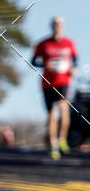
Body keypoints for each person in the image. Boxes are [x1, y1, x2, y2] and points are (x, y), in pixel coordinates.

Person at [32, 16, 77, 159]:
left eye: (59, 24)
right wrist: (44, 65)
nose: (57, 26)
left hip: (63, 80)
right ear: (51, 26)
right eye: (54, 24)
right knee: (51, 114)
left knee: (64, 108)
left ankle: (62, 138)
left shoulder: (69, 43)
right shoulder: (43, 44)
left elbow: (75, 59)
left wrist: (73, 69)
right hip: (47, 82)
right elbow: (34, 61)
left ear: (62, 26)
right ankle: (53, 145)